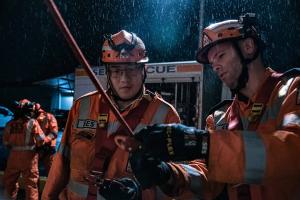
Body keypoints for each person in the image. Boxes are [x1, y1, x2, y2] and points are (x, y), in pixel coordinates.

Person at [128, 13, 300, 200]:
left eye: (220, 55)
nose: (215, 66)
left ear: (248, 47)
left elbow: (293, 152)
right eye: (212, 63)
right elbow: (207, 179)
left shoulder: (292, 90)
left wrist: (204, 144)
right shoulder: (219, 118)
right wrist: (168, 174)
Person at [42, 30, 181, 200]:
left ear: (144, 70)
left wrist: (139, 194)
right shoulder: (83, 106)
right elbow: (61, 163)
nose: (124, 79)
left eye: (131, 69)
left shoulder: (165, 115)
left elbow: (176, 183)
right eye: (116, 71)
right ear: (108, 72)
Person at [3, 99, 47, 200]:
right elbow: (41, 140)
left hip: (13, 157)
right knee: (31, 184)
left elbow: (6, 142)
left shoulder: (10, 124)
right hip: (29, 158)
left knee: (10, 182)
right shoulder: (32, 123)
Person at [33, 102, 58, 175]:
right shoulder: (30, 119)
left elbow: (54, 133)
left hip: (48, 148)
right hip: (36, 149)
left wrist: (45, 140)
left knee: (51, 172)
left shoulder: (49, 117)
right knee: (32, 172)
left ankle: (52, 186)